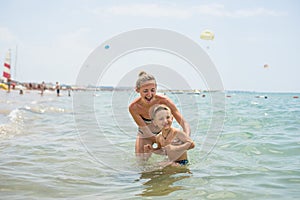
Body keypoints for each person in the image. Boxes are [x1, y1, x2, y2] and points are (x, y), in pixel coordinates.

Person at [129, 71, 191, 155]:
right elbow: (146, 132)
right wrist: (160, 141)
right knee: (141, 159)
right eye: (145, 91)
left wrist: (185, 138)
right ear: (137, 90)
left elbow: (183, 123)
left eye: (152, 90)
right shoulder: (134, 107)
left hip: (165, 132)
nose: (149, 94)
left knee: (174, 160)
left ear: (156, 88)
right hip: (146, 134)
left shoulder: (164, 101)